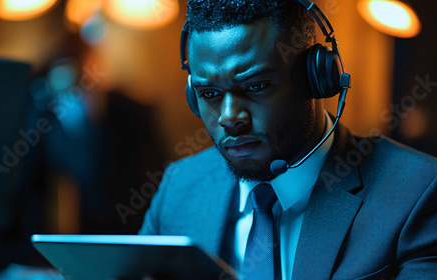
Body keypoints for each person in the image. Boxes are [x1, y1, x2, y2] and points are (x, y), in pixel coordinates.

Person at [139, 0, 437, 279]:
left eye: (256, 86)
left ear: (317, 78)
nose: (229, 117)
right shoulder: (179, 188)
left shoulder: (418, 193)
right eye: (210, 94)